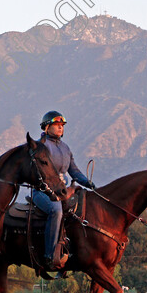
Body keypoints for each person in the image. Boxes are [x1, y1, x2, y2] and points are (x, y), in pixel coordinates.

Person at [32, 111, 95, 271]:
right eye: (57, 125)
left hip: (62, 192)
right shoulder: (40, 146)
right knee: (56, 210)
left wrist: (88, 182)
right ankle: (49, 255)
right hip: (42, 192)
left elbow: (74, 171)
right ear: (47, 127)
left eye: (62, 126)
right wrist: (47, 188)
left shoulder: (65, 148)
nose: (61, 128)